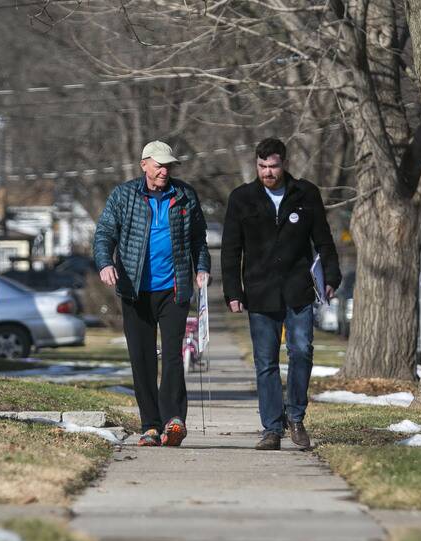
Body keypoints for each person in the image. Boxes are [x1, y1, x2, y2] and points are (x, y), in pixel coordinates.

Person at [221, 138, 341, 451]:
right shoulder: (242, 199)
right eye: (262, 166)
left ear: (283, 163)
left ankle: (296, 418)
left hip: (297, 289)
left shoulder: (305, 194)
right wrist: (233, 291)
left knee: (301, 351)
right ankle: (272, 428)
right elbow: (231, 251)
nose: (268, 172)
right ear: (255, 165)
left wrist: (331, 276)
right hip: (260, 292)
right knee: (266, 361)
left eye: (273, 166)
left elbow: (324, 241)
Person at [94, 140, 211, 446]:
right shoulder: (124, 195)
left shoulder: (185, 195)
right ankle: (150, 425)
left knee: (173, 356)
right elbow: (104, 233)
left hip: (174, 288)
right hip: (136, 291)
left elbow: (199, 238)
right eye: (159, 165)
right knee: (142, 358)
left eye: (168, 166)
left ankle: (173, 420)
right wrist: (106, 262)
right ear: (144, 164)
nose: (164, 171)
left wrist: (202, 268)